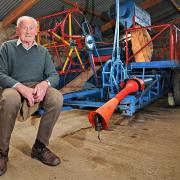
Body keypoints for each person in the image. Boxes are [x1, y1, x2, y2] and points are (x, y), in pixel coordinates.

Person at [0, 16, 63, 176]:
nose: (28, 31)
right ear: (17, 31)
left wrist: (44, 85)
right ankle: (2, 152)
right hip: (13, 86)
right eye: (24, 27)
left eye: (31, 28)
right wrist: (21, 87)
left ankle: (39, 147)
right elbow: (0, 73)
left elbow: (54, 75)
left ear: (36, 31)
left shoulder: (42, 52)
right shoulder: (7, 47)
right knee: (9, 99)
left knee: (56, 97)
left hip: (36, 86)